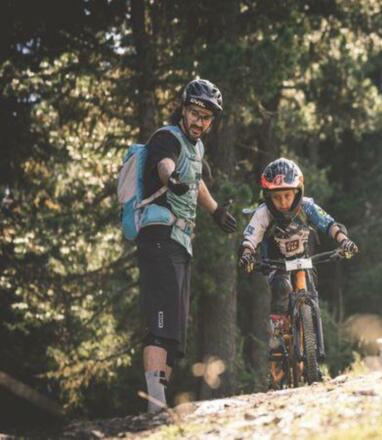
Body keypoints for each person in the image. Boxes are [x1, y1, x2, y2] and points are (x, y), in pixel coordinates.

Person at [138, 79, 237, 413]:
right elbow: (164, 163)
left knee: (174, 332)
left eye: (206, 117)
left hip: (180, 243)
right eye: (194, 113)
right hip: (159, 238)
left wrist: (216, 211)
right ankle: (155, 407)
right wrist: (171, 179)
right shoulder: (166, 137)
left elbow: (197, 182)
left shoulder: (197, 147)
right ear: (183, 109)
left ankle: (159, 405)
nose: (199, 121)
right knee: (160, 323)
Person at [237, 158, 358, 366]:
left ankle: (313, 344)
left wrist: (344, 241)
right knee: (281, 287)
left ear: (298, 191)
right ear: (268, 197)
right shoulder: (263, 213)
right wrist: (247, 253)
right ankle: (277, 340)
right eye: (277, 197)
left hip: (303, 260)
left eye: (287, 195)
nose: (283, 202)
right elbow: (251, 236)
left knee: (311, 289)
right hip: (275, 262)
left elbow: (328, 224)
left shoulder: (307, 206)